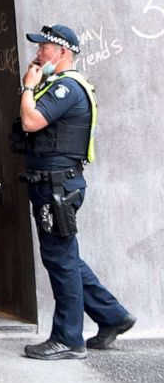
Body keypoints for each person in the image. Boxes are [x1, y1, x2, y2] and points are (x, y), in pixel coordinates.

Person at [13, 24, 136, 360]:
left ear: (62, 52)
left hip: (57, 186)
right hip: (53, 183)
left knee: (61, 261)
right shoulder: (59, 85)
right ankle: (113, 316)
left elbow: (31, 122)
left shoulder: (67, 88)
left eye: (44, 49)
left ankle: (69, 339)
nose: (38, 54)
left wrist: (27, 87)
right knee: (65, 256)